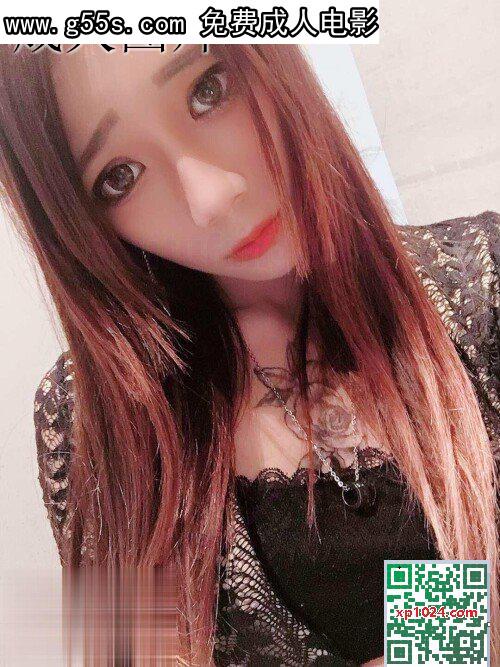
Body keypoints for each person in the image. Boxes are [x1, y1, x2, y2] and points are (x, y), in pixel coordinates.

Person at [0, 44, 498, 666]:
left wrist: (433, 647)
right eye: (119, 176)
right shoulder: (95, 419)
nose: (210, 197)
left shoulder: (481, 285)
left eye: (207, 91)